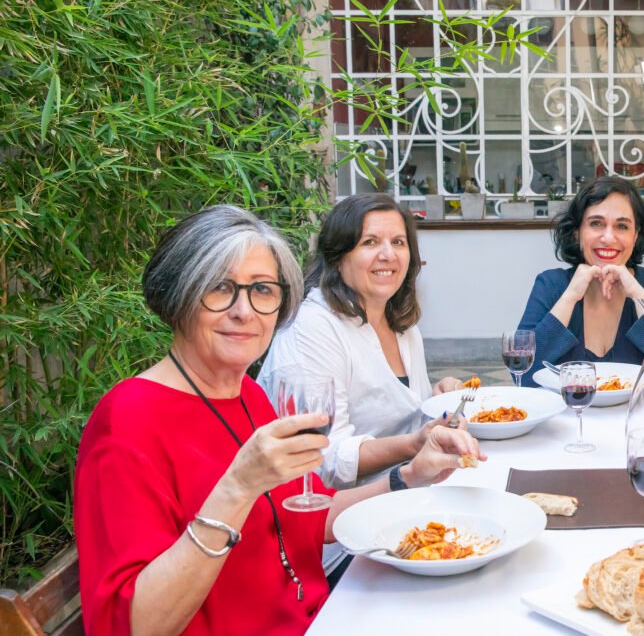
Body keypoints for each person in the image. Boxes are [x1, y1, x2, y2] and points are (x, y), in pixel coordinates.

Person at [75, 205, 481, 635]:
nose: (244, 311)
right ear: (177, 295)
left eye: (262, 290)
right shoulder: (128, 422)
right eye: (219, 288)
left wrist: (410, 474)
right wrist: (237, 488)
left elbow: (310, 521)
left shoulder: (247, 395)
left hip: (321, 615)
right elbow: (134, 626)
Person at [258, 194, 464, 492]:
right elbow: (320, 458)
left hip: (408, 492)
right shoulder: (310, 329)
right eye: (370, 242)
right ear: (337, 256)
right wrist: (414, 443)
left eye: (398, 242)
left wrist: (436, 398)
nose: (388, 255)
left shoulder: (401, 323)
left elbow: (397, 414)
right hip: (338, 519)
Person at [517, 176, 644, 384]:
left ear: (636, 235)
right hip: (567, 416)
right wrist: (570, 297)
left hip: (638, 416)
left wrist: (639, 296)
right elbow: (522, 375)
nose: (609, 238)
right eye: (596, 224)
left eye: (622, 226)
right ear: (577, 232)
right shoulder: (550, 285)